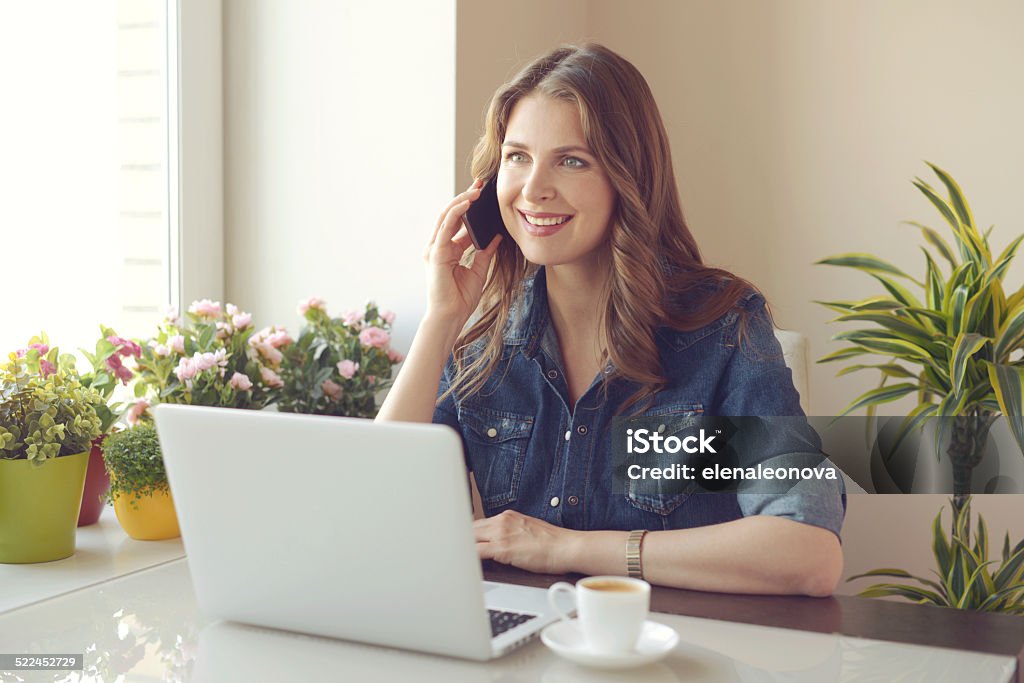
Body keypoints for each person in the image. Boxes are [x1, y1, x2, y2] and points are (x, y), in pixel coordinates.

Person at [376, 43, 844, 597]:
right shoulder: (484, 346)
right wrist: (441, 318)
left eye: (572, 160)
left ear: (628, 178)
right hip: (524, 652)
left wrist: (569, 549)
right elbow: (376, 510)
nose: (533, 189)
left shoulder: (723, 329)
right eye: (517, 156)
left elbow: (808, 551)